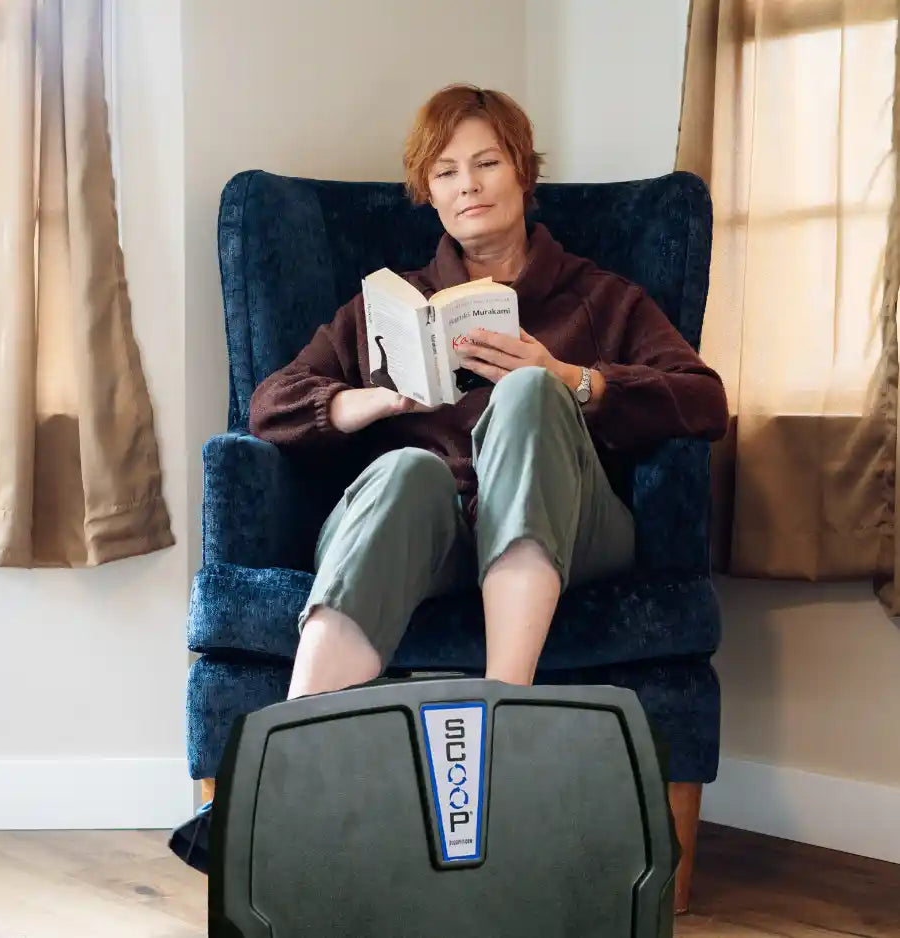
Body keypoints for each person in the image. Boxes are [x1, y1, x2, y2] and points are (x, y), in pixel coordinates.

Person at [249, 84, 729, 701]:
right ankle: (297, 751)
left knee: (530, 390)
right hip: (427, 535)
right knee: (405, 471)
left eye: (486, 163)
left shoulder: (603, 297)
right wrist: (375, 400)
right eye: (445, 172)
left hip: (569, 527)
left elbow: (703, 400)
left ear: (523, 173)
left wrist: (571, 380)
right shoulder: (389, 307)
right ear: (430, 194)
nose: (467, 186)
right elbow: (269, 405)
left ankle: (505, 706)